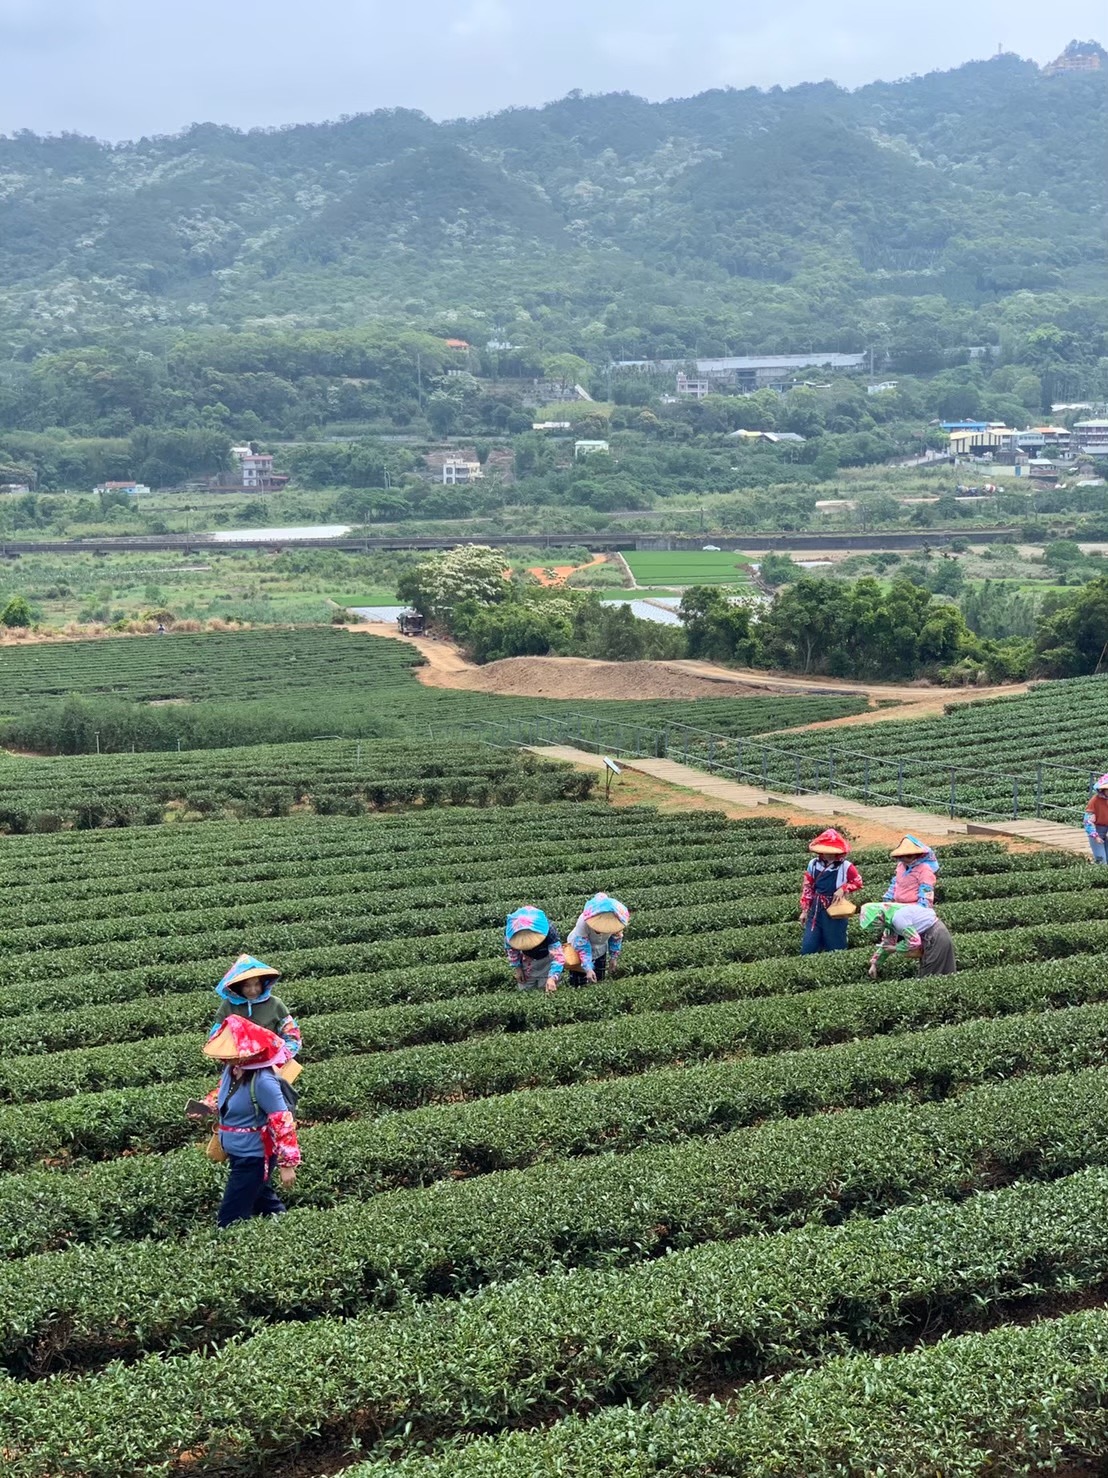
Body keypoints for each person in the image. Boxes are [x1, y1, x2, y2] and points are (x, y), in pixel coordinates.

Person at [204, 1016, 301, 1230]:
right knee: (265, 1203)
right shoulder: (232, 1071)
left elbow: (282, 1121)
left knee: (230, 1218)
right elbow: (223, 1093)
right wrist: (206, 1105)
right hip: (237, 1153)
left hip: (254, 1157)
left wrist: (288, 1165)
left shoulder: (264, 1081)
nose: (225, 1059)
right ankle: (290, 1230)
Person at [209, 954, 302, 1059]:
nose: (253, 990)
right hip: (239, 1063)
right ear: (238, 987)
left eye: (257, 984)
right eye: (247, 986)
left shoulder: (275, 1004)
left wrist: (282, 1057)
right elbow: (217, 1036)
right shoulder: (228, 1006)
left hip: (272, 1059)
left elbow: (292, 1034)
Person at [799, 828, 863, 955]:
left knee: (836, 946)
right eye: (825, 851)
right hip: (816, 909)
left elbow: (858, 882)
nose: (828, 854)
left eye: (831, 852)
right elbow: (808, 887)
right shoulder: (813, 864)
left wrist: (843, 889)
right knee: (809, 945)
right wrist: (805, 910)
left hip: (835, 908)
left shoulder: (846, 866)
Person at [860, 900, 957, 978]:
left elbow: (914, 941)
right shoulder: (889, 921)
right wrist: (875, 964)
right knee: (935, 972)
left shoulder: (898, 919)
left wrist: (895, 948)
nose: (876, 926)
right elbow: (886, 943)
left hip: (935, 936)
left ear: (880, 916)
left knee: (932, 973)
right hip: (930, 936)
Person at [566, 893, 629, 987]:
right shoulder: (583, 921)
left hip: (600, 948)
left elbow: (616, 939)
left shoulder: (616, 920)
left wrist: (613, 957)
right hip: (578, 948)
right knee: (579, 980)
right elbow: (583, 947)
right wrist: (588, 968)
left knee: (599, 977)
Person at [504, 908, 565, 993]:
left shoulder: (549, 930)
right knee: (525, 989)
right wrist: (518, 968)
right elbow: (511, 949)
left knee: (547, 989)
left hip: (547, 959)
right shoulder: (511, 930)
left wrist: (552, 977)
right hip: (527, 960)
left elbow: (558, 956)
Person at [883, 835, 939, 908]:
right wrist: (888, 898)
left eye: (908, 856)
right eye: (901, 856)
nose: (904, 859)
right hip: (898, 905)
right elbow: (896, 882)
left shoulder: (924, 869)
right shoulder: (901, 866)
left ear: (917, 855)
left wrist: (922, 907)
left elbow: (926, 890)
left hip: (914, 907)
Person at [1084, 774, 1108, 864]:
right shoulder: (1095, 801)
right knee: (1101, 860)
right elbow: (1088, 820)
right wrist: (1095, 835)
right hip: (1098, 830)